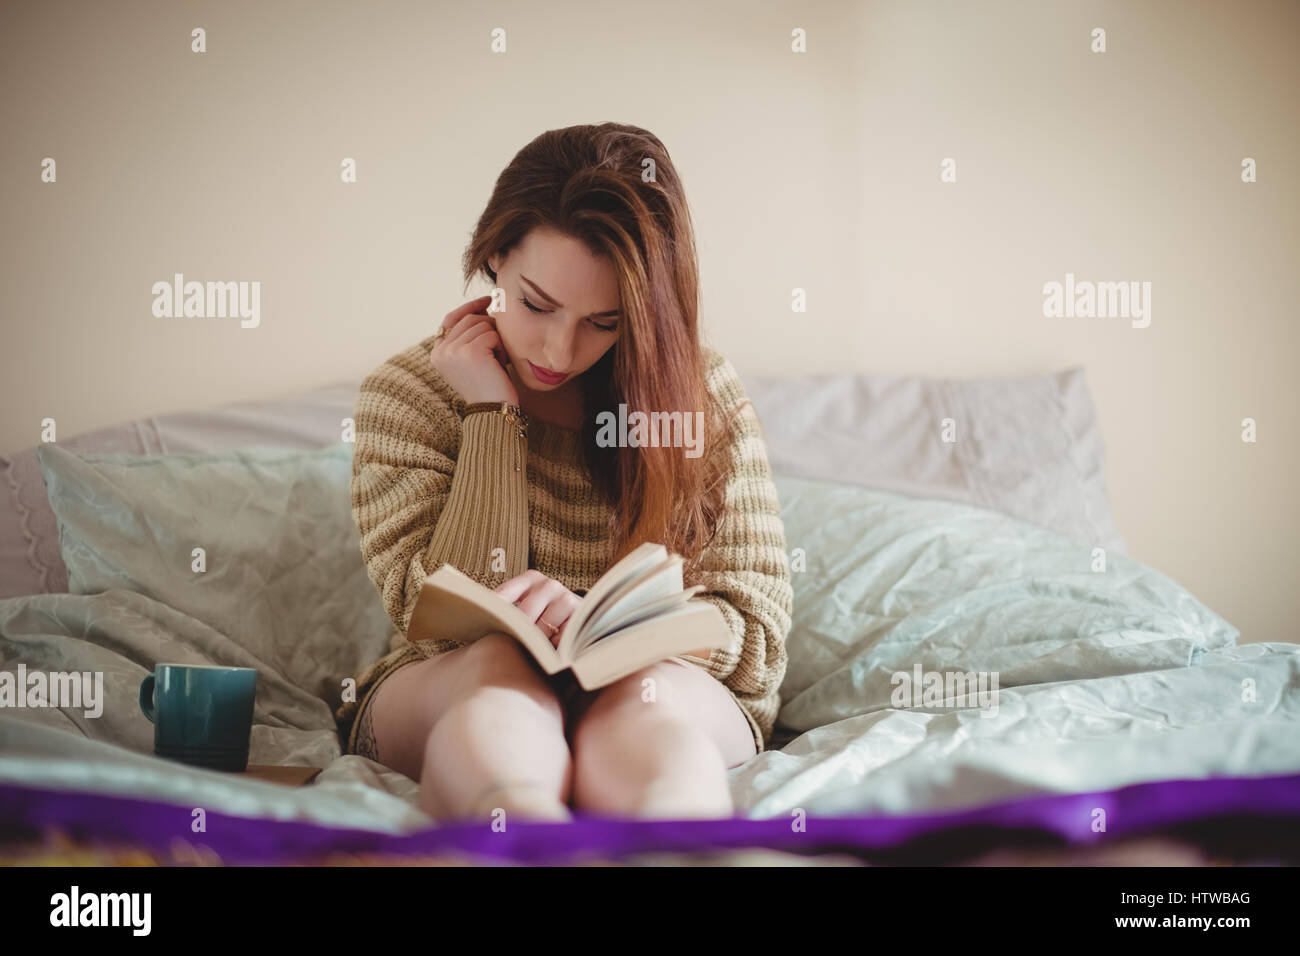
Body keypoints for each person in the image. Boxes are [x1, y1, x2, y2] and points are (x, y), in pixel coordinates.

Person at [334, 122, 793, 823]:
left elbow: (757, 641)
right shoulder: (408, 393)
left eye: (604, 322)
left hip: (664, 686)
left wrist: (615, 631)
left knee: (643, 693)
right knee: (496, 671)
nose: (558, 348)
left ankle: (675, 843)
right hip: (457, 680)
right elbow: (434, 623)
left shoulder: (702, 395)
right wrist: (491, 415)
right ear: (492, 256)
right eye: (536, 304)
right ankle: (527, 837)